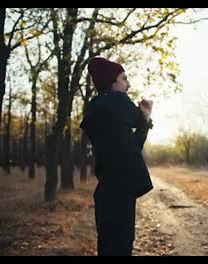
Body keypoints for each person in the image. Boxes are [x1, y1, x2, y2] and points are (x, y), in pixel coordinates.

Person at [80, 57, 154, 256]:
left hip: (107, 191)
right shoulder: (116, 101)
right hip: (120, 192)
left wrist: (144, 121)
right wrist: (145, 116)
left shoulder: (98, 110)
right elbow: (138, 118)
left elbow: (131, 148)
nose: (128, 84)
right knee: (121, 247)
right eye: (124, 78)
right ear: (112, 82)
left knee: (108, 248)